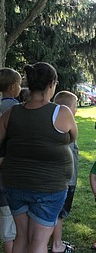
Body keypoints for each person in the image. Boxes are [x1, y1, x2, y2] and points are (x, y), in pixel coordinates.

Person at [0, 62, 78, 253]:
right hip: (49, 187)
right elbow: (72, 136)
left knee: (21, 237)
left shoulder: (12, 112)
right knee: (38, 242)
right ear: (52, 84)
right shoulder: (61, 112)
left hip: (15, 183)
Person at [49, 91, 79, 253]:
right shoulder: (65, 126)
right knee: (59, 214)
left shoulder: (54, 124)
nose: (76, 110)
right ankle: (57, 245)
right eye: (75, 106)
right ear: (67, 108)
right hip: (66, 180)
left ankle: (53, 241)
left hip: (58, 178)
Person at [0, 68, 21, 253]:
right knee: (10, 219)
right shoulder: (15, 109)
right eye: (20, 85)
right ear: (13, 87)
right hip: (10, 167)